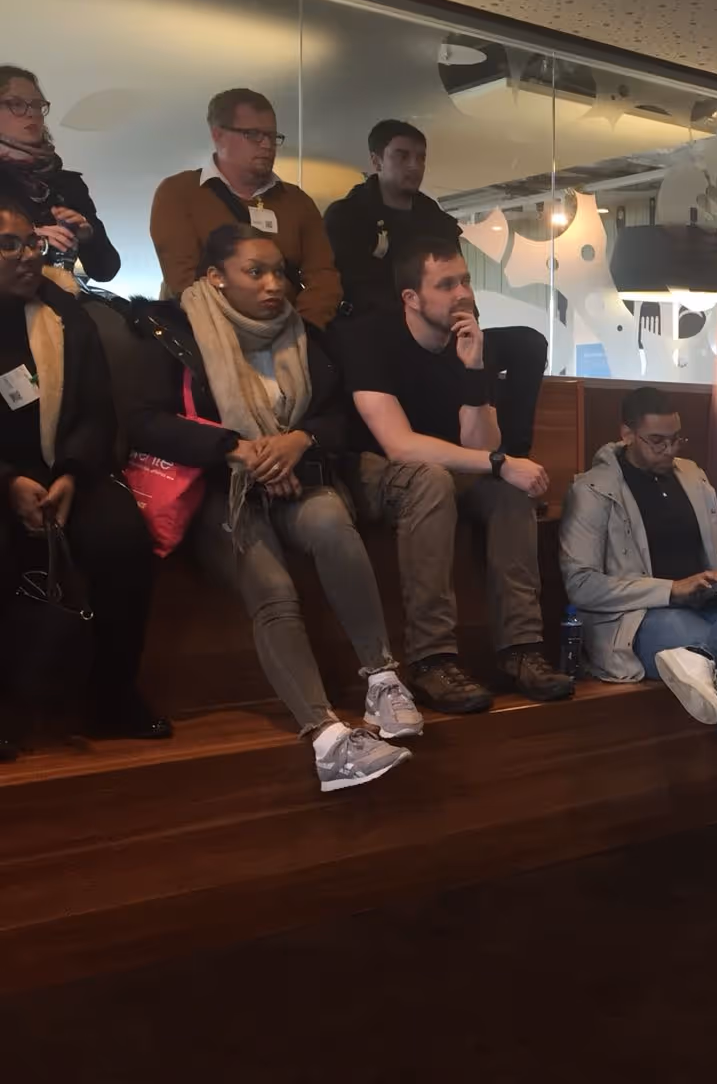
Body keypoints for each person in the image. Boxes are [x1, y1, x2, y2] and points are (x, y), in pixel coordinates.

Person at [125, 224, 418, 791]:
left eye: (279, 272)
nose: (273, 285)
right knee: (273, 587)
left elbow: (340, 419)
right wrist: (233, 448)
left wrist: (298, 441)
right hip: (219, 491)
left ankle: (383, 681)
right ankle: (327, 739)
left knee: (332, 523)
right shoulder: (170, 331)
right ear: (215, 277)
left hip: (293, 480)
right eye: (255, 272)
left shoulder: (303, 335)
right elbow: (144, 421)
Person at [560, 387, 717, 868]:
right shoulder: (592, 490)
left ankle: (700, 654)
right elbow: (581, 585)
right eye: (656, 441)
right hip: (642, 616)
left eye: (676, 438)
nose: (669, 450)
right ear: (626, 434)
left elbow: (714, 549)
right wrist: (670, 589)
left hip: (705, 603)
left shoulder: (693, 476)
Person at [340, 236, 570, 714]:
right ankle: (431, 660)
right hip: (376, 471)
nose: (462, 293)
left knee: (508, 494)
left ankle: (521, 650)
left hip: (446, 467)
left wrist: (475, 370)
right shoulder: (370, 338)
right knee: (433, 479)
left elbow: (481, 446)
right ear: (411, 298)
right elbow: (399, 446)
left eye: (464, 280)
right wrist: (500, 463)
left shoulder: (466, 341)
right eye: (446, 285)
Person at [0, 198, 166, 757]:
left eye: (32, 243)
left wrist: (70, 474)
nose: (27, 255)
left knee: (122, 539)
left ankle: (112, 696)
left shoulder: (65, 313)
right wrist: (9, 483)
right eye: (8, 245)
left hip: (64, 469)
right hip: (4, 478)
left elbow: (96, 411)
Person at [150, 89, 342, 327]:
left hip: (290, 333)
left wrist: (303, 330)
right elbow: (185, 281)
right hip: (205, 333)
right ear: (218, 135)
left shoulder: (297, 201)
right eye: (253, 134)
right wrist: (243, 333)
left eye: (272, 136)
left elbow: (323, 277)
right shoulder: (179, 192)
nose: (267, 145)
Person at [323, 120, 463, 321]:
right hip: (366, 329)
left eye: (421, 158)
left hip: (434, 330)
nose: (414, 166)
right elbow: (337, 287)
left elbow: (459, 281)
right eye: (402, 156)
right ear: (376, 161)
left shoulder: (437, 222)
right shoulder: (346, 218)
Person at [0, 66, 120, 284]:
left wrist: (88, 235)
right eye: (16, 104)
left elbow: (105, 271)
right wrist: (27, 241)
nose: (31, 113)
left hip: (59, 298)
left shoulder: (68, 184)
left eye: (37, 105)